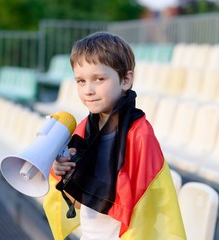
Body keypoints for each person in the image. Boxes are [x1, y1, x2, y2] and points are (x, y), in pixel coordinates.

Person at [43, 32, 186, 240]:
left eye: (99, 79)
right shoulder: (84, 128)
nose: (88, 90)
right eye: (81, 81)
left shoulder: (139, 134)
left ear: (126, 80)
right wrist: (64, 172)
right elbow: (80, 200)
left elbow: (145, 208)